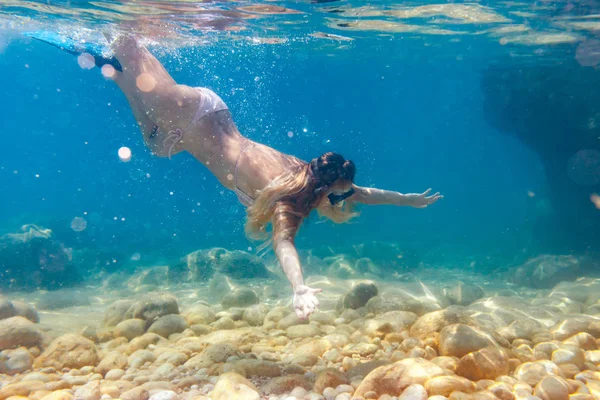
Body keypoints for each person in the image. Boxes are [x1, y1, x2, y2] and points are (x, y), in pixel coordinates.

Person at [32, 33, 443, 319]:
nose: (341, 202)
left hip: (192, 126)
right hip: (193, 119)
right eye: (338, 197)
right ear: (324, 189)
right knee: (129, 44)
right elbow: (284, 244)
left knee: (155, 142)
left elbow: (363, 193)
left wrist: (409, 199)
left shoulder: (306, 172)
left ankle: (105, 63)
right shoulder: (290, 199)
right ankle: (119, 37)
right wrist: (298, 289)